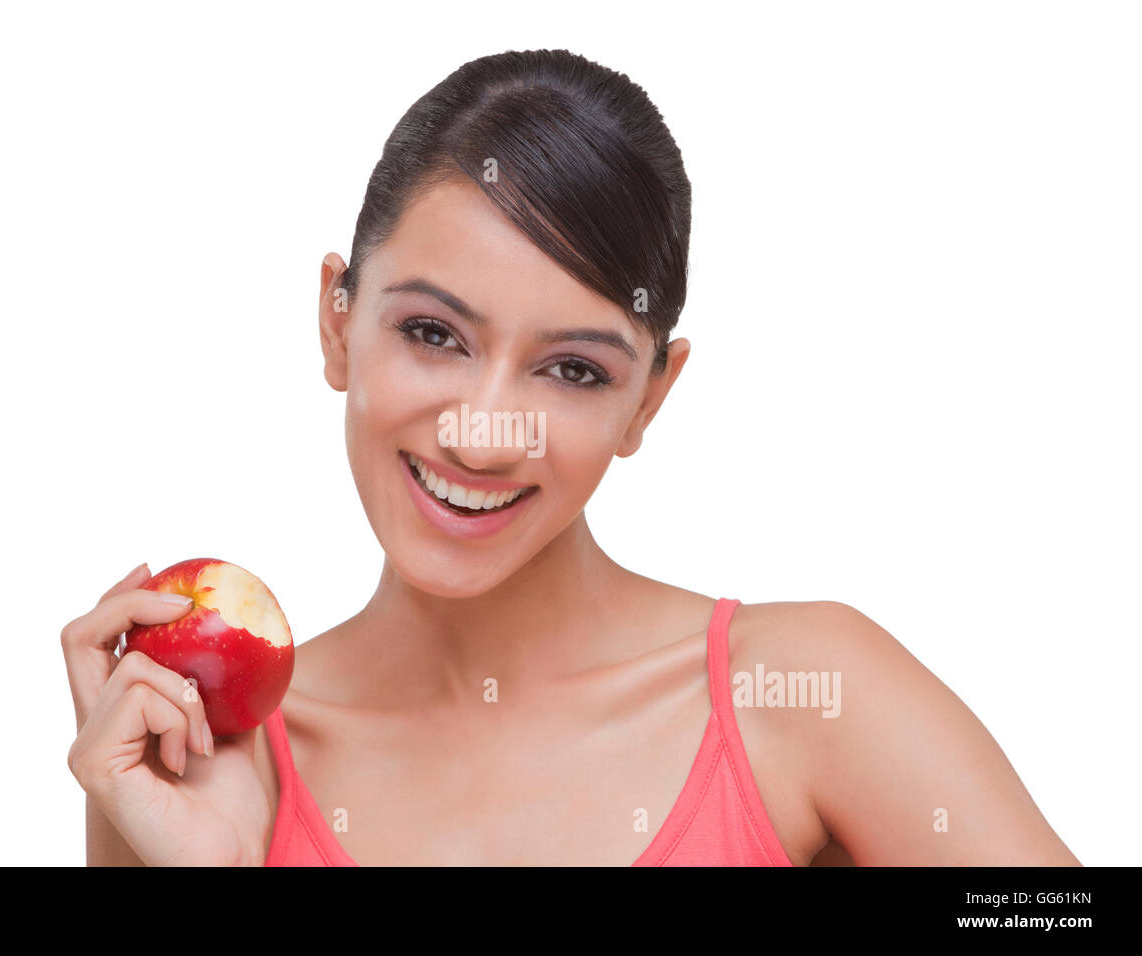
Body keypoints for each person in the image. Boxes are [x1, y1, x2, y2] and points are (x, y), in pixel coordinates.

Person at [62, 49, 1080, 866]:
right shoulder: (207, 762)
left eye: (574, 371)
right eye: (432, 332)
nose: (481, 429)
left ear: (650, 395)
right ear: (336, 322)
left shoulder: (807, 693)